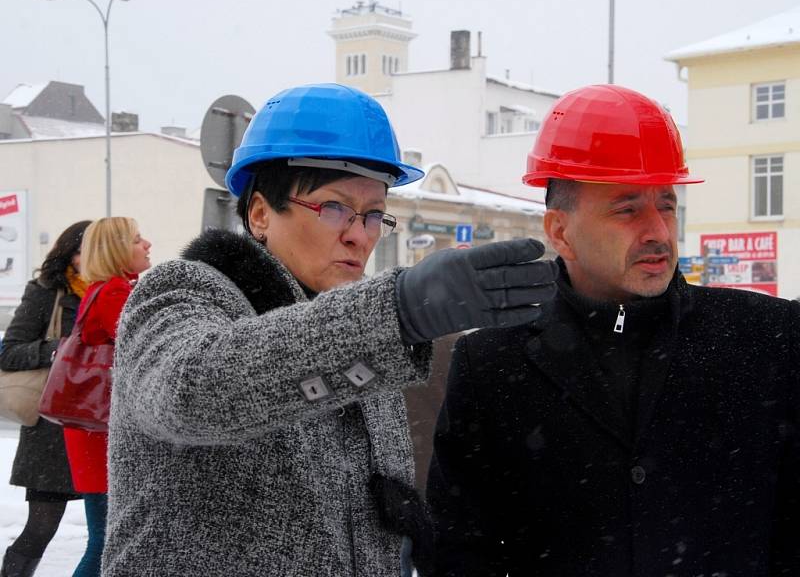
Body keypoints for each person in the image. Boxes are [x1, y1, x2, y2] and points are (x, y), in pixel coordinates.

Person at [100, 83, 558, 577]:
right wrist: (397, 311)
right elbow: (189, 392)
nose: (359, 234)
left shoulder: (367, 332)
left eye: (375, 214)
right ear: (259, 213)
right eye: (334, 207)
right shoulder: (181, 292)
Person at [427, 84, 800, 576]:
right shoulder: (493, 365)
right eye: (628, 209)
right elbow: (458, 553)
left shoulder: (767, 338)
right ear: (560, 231)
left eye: (666, 204)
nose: (658, 231)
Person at [0, 221, 91, 577]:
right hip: (51, 435)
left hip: (97, 425)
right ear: (74, 254)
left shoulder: (113, 291)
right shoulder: (46, 292)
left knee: (105, 532)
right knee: (41, 530)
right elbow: (9, 353)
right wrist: (60, 349)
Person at [63, 217, 151, 577]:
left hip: (94, 428)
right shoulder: (114, 293)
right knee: (105, 541)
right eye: (137, 239)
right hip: (102, 432)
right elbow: (146, 350)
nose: (147, 244)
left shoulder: (104, 289)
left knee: (107, 538)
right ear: (117, 249)